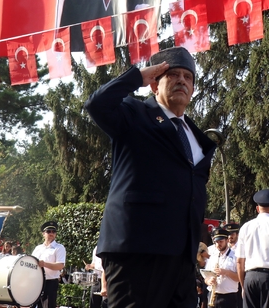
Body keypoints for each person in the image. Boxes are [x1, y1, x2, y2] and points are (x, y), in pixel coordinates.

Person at [84, 46, 218, 307]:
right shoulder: (134, 114)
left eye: (188, 77)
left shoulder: (197, 138)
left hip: (182, 256)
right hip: (138, 250)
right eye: (173, 75)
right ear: (155, 84)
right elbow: (97, 105)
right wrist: (137, 77)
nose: (182, 81)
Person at [205, 227, 239, 308]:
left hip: (229, 296)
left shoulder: (236, 256)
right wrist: (209, 281)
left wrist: (226, 272)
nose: (218, 244)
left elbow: (240, 278)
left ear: (227, 240)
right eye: (216, 242)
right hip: (213, 295)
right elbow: (206, 277)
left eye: (221, 241)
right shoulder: (213, 257)